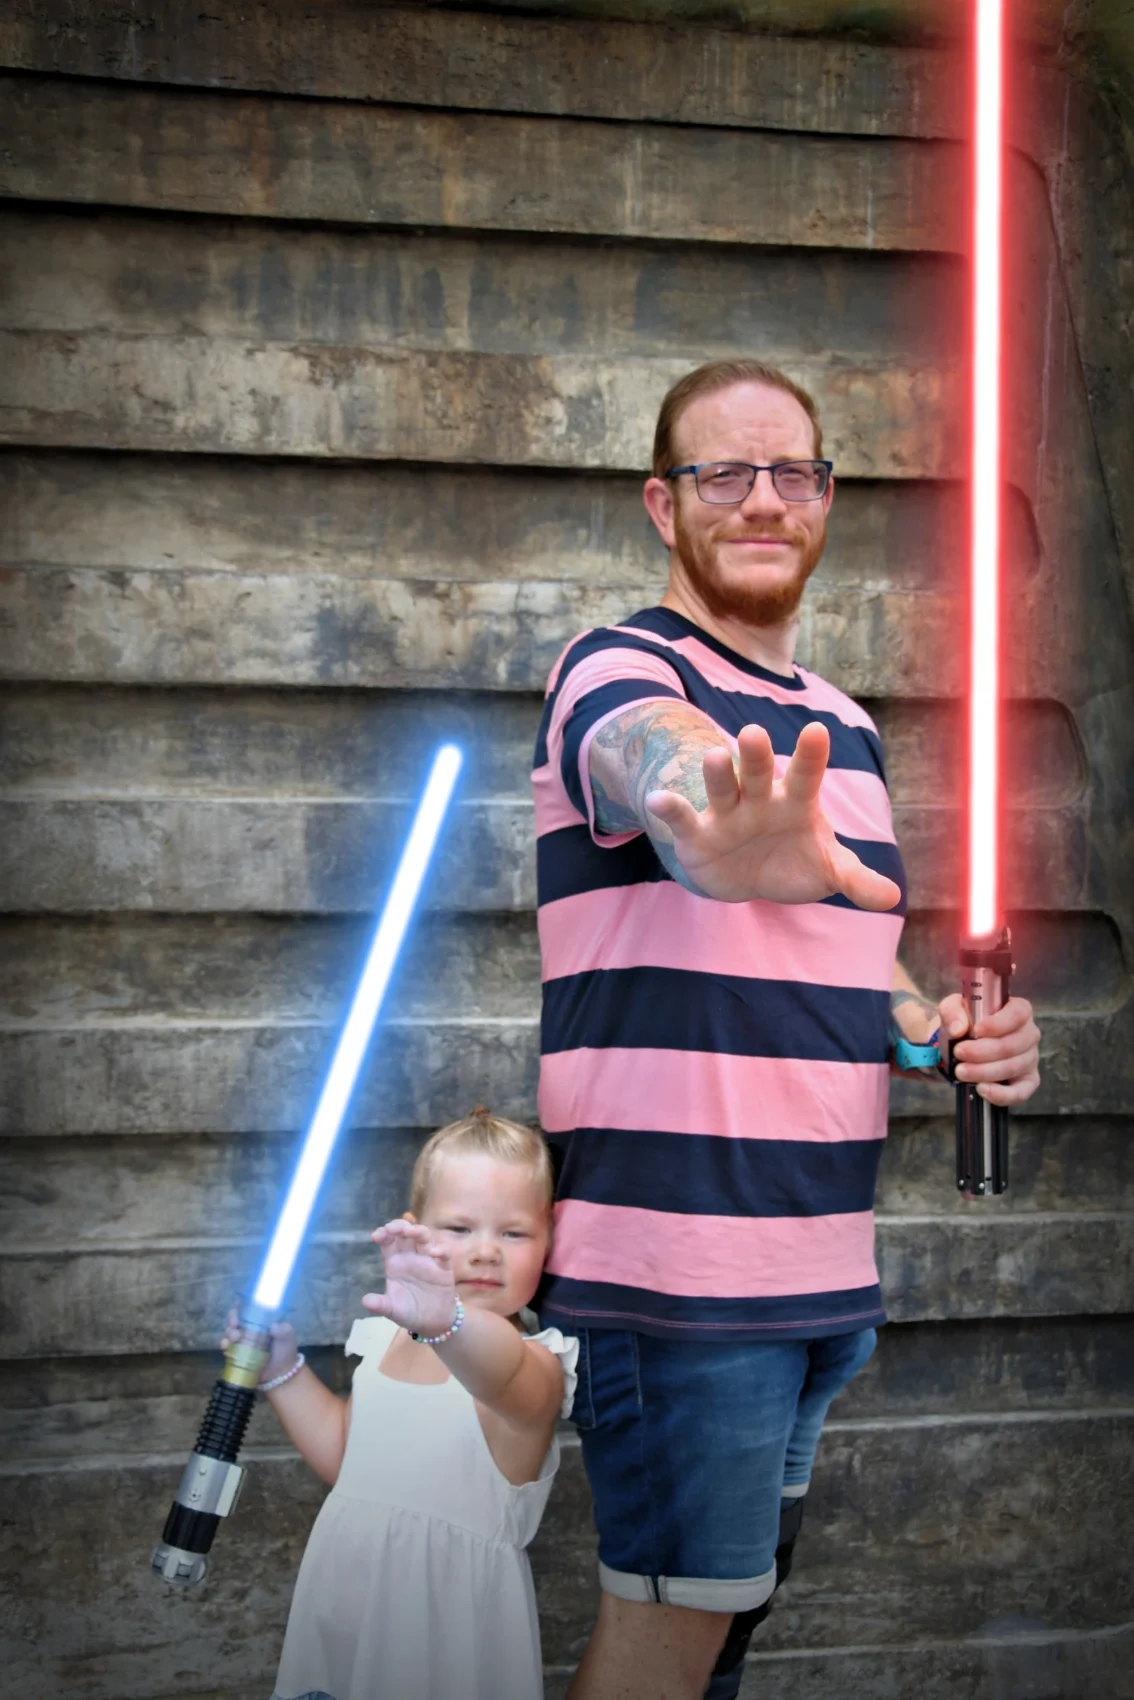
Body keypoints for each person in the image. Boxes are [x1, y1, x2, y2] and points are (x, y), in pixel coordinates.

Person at [531, 360, 1042, 1700]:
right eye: (723, 472)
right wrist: (698, 806)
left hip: (821, 1278)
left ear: (823, 496)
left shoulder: (844, 733)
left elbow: (840, 978)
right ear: (664, 502)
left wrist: (943, 1040)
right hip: (684, 1284)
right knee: (663, 1652)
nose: (762, 499)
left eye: (791, 473)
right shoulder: (615, 666)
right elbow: (651, 755)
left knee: (725, 1639)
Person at [222, 1108, 578, 1700]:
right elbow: (347, 1458)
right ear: (415, 1234)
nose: (485, 1251)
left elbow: (498, 1368)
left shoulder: (534, 1364)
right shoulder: (385, 1340)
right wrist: (281, 1369)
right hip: (347, 1601)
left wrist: (447, 1321)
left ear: (549, 1242)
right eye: (459, 1229)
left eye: (513, 1234)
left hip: (443, 1631)